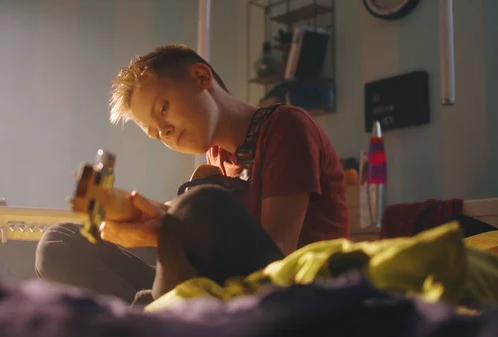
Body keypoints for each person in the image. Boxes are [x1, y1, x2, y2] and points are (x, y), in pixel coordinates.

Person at [35, 44, 349, 305]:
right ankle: (144, 319)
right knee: (59, 241)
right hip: (214, 292)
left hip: (285, 294)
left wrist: (167, 226)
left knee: (198, 206)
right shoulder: (214, 162)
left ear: (201, 77)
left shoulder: (286, 127)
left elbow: (277, 258)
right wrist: (145, 221)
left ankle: (149, 318)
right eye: (157, 134)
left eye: (163, 110)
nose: (166, 131)